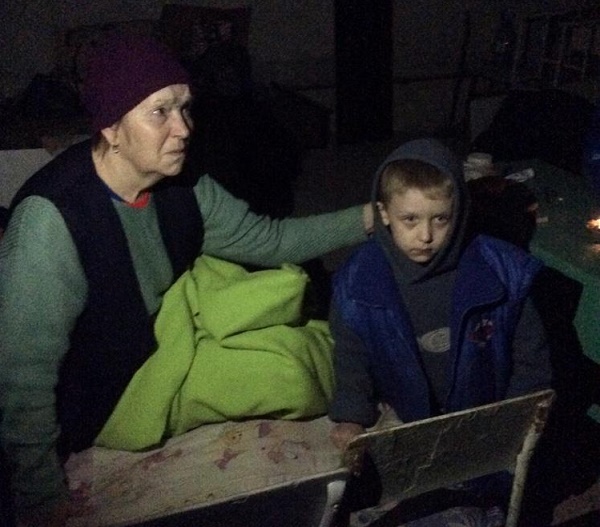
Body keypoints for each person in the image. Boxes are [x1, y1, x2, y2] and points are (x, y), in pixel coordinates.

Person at [0, 33, 372, 527]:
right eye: (160, 112)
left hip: (164, 332)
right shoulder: (51, 221)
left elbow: (269, 240)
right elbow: (22, 377)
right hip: (109, 390)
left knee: (300, 329)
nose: (182, 128)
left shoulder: (182, 183)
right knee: (287, 376)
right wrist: (39, 495)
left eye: (184, 108)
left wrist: (371, 217)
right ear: (111, 127)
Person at [327, 139, 551, 513]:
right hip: (406, 420)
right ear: (384, 213)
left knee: (487, 500)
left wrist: (513, 422)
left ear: (458, 212)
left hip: (485, 418)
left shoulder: (503, 272)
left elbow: (532, 358)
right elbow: (351, 356)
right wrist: (351, 416)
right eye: (410, 220)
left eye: (440, 219)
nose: (426, 236)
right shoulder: (357, 282)